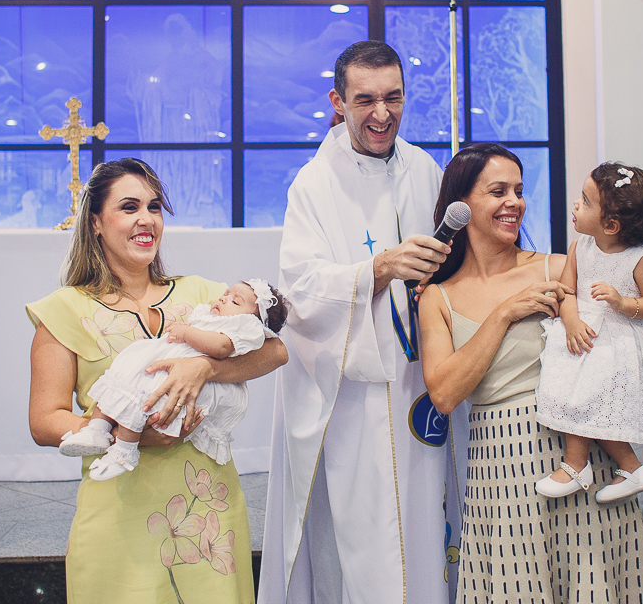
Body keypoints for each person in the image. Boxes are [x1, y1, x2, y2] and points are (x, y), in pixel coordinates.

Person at [27, 158, 288, 603]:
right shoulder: (64, 310)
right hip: (118, 513)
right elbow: (45, 421)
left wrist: (204, 367)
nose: (146, 219)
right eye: (129, 207)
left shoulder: (203, 295)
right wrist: (131, 434)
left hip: (205, 510)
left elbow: (275, 350)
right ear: (95, 223)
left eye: (153, 207)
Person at [258, 41, 462, 604]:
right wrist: (377, 269)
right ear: (338, 100)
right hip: (354, 393)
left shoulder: (424, 168)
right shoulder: (314, 184)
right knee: (368, 536)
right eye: (365, 99)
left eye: (393, 98)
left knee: (426, 521)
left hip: (423, 378)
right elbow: (299, 287)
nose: (382, 114)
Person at [418, 144, 643, 604]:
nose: (515, 202)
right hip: (500, 466)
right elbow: (445, 394)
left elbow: (621, 336)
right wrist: (504, 313)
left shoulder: (558, 267)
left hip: (580, 456)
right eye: (498, 191)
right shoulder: (437, 298)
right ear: (461, 206)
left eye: (519, 191)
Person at [534, 163, 643, 502]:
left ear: (611, 224)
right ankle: (628, 469)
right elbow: (566, 291)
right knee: (571, 396)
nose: (575, 206)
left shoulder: (639, 259)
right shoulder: (579, 247)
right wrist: (570, 321)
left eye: (585, 201)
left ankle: (578, 465)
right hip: (580, 335)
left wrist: (624, 302)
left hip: (614, 343)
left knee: (589, 401)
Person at [59, 278, 289, 481]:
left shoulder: (241, 327)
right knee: (124, 375)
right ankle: (98, 428)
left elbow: (223, 347)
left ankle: (124, 450)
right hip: (159, 358)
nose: (223, 298)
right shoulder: (210, 314)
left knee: (145, 395)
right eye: (226, 294)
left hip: (181, 377)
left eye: (235, 302)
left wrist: (190, 340)